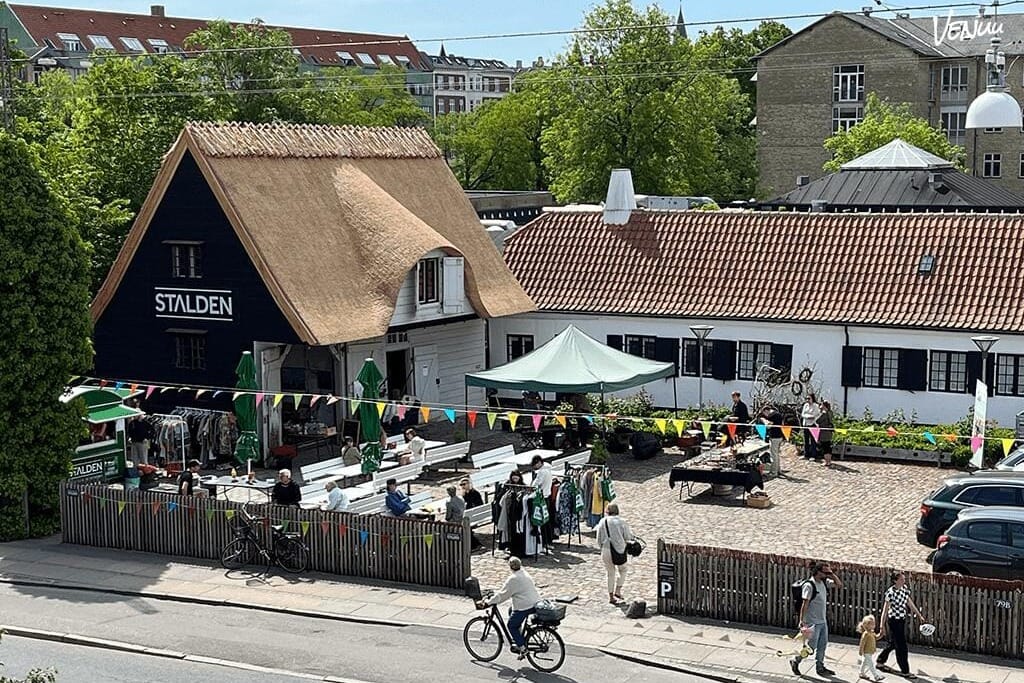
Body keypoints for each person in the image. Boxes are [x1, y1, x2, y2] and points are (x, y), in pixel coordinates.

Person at [478, 556, 541, 654]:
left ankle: (522, 648)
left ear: (510, 567)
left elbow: (502, 596)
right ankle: (519, 636)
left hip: (525, 606)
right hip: (534, 602)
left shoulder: (513, 579)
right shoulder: (524, 573)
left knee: (511, 625)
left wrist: (488, 602)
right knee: (511, 610)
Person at [791, 560, 843, 677]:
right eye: (825, 572)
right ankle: (796, 660)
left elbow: (839, 585)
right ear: (818, 572)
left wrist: (832, 574)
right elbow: (805, 604)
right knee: (811, 647)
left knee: (822, 645)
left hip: (822, 621)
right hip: (812, 621)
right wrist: (801, 621)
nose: (827, 575)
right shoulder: (809, 586)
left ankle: (820, 667)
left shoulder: (824, 583)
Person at [877, 571, 925, 680]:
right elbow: (885, 610)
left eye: (904, 579)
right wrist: (881, 626)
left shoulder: (904, 589)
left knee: (893, 643)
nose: (904, 581)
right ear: (895, 581)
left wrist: (918, 615)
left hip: (901, 620)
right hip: (894, 621)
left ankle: (880, 661)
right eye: (901, 579)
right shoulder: (890, 592)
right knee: (902, 647)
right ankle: (905, 671)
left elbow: (909, 602)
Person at [595, 503, 635, 604]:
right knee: (623, 570)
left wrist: (602, 547)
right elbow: (627, 537)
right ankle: (618, 589)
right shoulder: (622, 522)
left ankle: (611, 596)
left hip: (606, 549)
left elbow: (598, 539)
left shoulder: (602, 521)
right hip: (620, 550)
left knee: (610, 573)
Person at [858, 614, 884, 682]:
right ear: (866, 625)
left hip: (870, 651)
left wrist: (881, 635)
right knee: (871, 664)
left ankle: (861, 672)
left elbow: (876, 638)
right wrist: (860, 650)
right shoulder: (866, 634)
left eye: (874, 624)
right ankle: (876, 676)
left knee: (864, 662)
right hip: (866, 652)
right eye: (872, 624)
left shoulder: (872, 632)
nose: (874, 625)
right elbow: (862, 642)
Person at [761, 406, 784, 477]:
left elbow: (768, 426)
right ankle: (778, 470)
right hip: (780, 436)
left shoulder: (772, 416)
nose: (765, 415)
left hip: (775, 437)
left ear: (766, 411)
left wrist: (763, 420)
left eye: (764, 413)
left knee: (773, 455)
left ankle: (774, 472)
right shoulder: (778, 414)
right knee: (776, 454)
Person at [801, 394, 821, 460]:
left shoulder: (816, 406)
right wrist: (807, 416)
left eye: (809, 399)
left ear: (812, 399)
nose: (807, 400)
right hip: (806, 424)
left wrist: (809, 416)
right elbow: (803, 414)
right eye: (806, 399)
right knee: (806, 440)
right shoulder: (805, 405)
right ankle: (806, 454)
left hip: (813, 424)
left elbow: (815, 415)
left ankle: (813, 455)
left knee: (813, 440)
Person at [817, 401, 835, 467]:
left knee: (825, 447)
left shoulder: (824, 413)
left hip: (824, 432)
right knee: (828, 447)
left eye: (821, 405)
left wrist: (820, 412)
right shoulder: (830, 412)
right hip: (829, 431)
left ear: (824, 406)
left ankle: (826, 461)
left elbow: (817, 421)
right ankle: (829, 461)